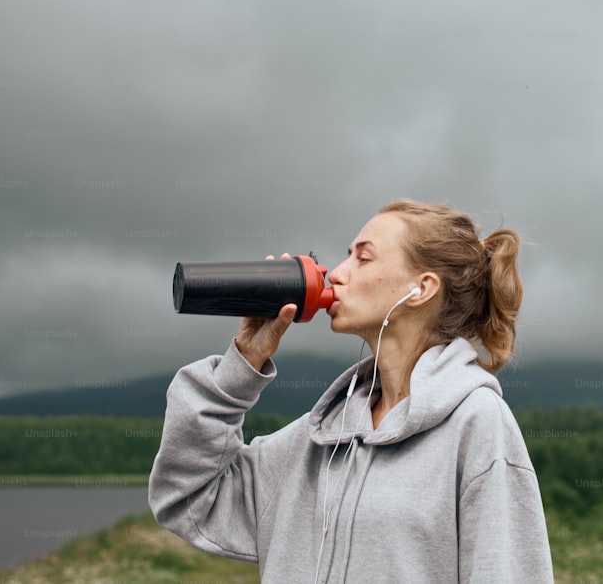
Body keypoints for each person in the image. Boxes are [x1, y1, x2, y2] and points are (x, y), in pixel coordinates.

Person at [148, 199, 554, 583]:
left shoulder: (475, 424)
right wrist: (241, 367)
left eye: (363, 257)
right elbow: (189, 499)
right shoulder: (318, 440)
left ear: (421, 288)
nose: (336, 273)